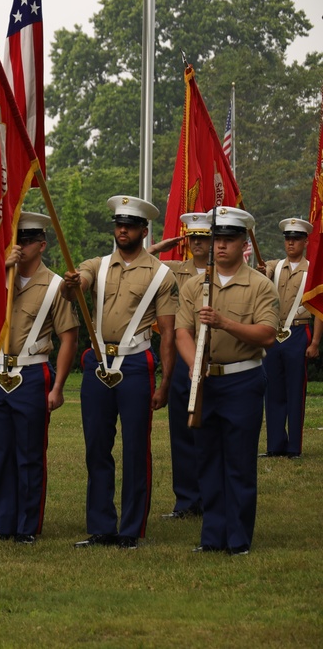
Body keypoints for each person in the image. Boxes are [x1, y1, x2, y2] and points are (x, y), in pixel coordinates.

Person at [61, 195, 177, 550]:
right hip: (97, 363)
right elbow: (79, 282)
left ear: (144, 230)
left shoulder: (161, 274)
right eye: (118, 224)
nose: (122, 230)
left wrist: (166, 382)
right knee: (97, 447)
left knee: (136, 449)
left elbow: (169, 333)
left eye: (129, 225)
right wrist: (72, 283)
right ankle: (101, 526)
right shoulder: (97, 265)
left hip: (136, 363)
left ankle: (130, 530)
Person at [175, 207, 278, 555]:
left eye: (229, 240)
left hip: (242, 380)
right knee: (207, 459)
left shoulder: (260, 285)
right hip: (206, 382)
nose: (220, 246)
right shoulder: (195, 285)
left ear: (244, 243)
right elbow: (181, 332)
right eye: (217, 239)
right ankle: (212, 536)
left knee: (238, 461)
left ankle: (238, 538)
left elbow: (266, 334)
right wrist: (193, 366)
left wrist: (224, 323)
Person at [0, 212, 78, 545]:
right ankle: (3, 523)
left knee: (29, 453)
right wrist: (1, 271)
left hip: (33, 371)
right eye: (16, 240)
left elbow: (69, 337)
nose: (20, 246)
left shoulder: (55, 285)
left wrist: (58, 387)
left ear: (41, 244)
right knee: (0, 453)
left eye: (27, 240)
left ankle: (27, 526)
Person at [151, 213, 213, 520]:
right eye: (193, 238)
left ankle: (212, 496)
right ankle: (187, 500)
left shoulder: (224, 271)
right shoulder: (176, 269)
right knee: (181, 431)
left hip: (215, 357)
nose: (198, 243)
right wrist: (163, 245)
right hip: (182, 358)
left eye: (204, 238)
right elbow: (140, 259)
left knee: (213, 431)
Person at [260, 217, 321, 459]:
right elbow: (259, 274)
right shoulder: (274, 267)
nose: (291, 243)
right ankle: (275, 445)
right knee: (272, 390)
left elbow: (320, 310)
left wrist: (315, 342)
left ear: (306, 241)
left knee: (296, 390)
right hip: (274, 334)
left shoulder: (313, 271)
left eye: (296, 239)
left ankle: (294, 447)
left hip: (298, 332)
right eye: (287, 238)